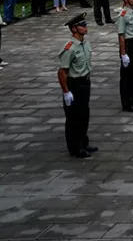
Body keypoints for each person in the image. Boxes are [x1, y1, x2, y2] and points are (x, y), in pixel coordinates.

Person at [58, 13, 97, 158]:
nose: (85, 27)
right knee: (74, 118)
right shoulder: (69, 48)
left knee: (84, 115)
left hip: (85, 82)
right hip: (74, 84)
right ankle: (75, 148)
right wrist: (66, 92)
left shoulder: (85, 43)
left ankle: (83, 142)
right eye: (82, 25)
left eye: (85, 25)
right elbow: (62, 72)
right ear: (74, 29)